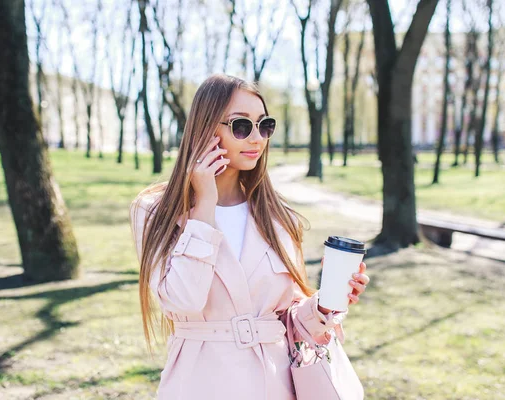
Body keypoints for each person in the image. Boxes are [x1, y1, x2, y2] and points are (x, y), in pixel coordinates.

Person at [129, 74, 369, 399]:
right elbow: (183, 300)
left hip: (274, 384)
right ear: (206, 128)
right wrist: (204, 204)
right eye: (241, 126)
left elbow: (288, 318)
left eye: (264, 125)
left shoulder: (278, 217)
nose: (257, 138)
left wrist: (326, 305)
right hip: (199, 383)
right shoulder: (154, 210)